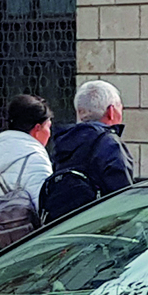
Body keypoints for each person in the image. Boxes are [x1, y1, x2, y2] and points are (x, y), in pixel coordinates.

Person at [41, 80, 133, 223]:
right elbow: (122, 196)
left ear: (79, 112)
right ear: (111, 111)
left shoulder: (63, 141)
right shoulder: (109, 143)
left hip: (66, 226)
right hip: (100, 227)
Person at [0, 94, 54, 258]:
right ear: (37, 128)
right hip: (23, 250)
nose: (49, 133)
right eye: (48, 126)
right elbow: (43, 208)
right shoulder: (34, 158)